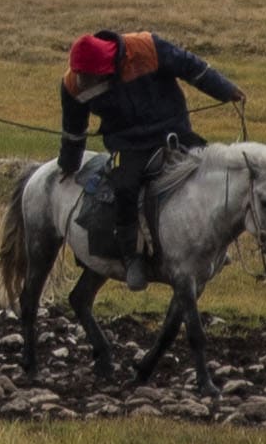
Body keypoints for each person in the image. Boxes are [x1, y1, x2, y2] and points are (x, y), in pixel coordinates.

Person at [58, 28, 244, 268]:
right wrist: (69, 164)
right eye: (80, 74)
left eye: (90, 77)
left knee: (209, 171)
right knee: (124, 188)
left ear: (107, 68)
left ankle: (211, 246)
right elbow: (74, 129)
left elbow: (192, 68)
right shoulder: (73, 83)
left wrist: (226, 90)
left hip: (173, 130)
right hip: (126, 144)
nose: (84, 82)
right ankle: (131, 256)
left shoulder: (147, 48)